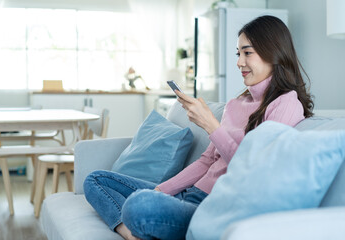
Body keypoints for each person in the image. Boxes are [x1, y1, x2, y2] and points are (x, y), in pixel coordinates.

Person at [83, 15, 314, 240]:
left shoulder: (286, 104)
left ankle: (143, 218)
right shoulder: (235, 104)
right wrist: (161, 191)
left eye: (247, 53)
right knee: (95, 180)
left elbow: (255, 172)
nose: (239, 62)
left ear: (273, 53)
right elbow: (206, 162)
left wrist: (211, 126)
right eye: (238, 53)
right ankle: (130, 233)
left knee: (139, 205)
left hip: (212, 210)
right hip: (190, 194)